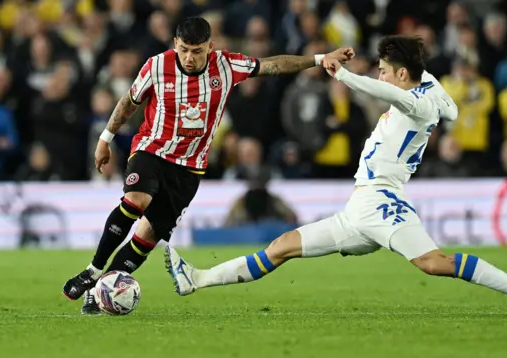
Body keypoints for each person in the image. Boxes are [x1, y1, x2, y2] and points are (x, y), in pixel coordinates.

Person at [165, 35, 507, 318]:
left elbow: (393, 96)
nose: (382, 76)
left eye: (386, 71)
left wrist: (343, 75)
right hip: (359, 207)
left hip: (383, 201)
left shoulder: (416, 105)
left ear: (403, 74)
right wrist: (429, 82)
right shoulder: (429, 96)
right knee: (283, 245)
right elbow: (450, 110)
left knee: (432, 262)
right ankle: (196, 279)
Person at [62, 17, 354, 315]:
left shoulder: (226, 66)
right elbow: (129, 101)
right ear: (175, 44)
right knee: (137, 200)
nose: (190, 58)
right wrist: (105, 138)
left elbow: (274, 65)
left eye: (197, 51)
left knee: (148, 235)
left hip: (189, 169)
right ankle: (94, 270)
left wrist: (320, 59)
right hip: (152, 150)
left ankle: (99, 292)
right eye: (185, 50)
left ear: (210, 47)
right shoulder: (157, 66)